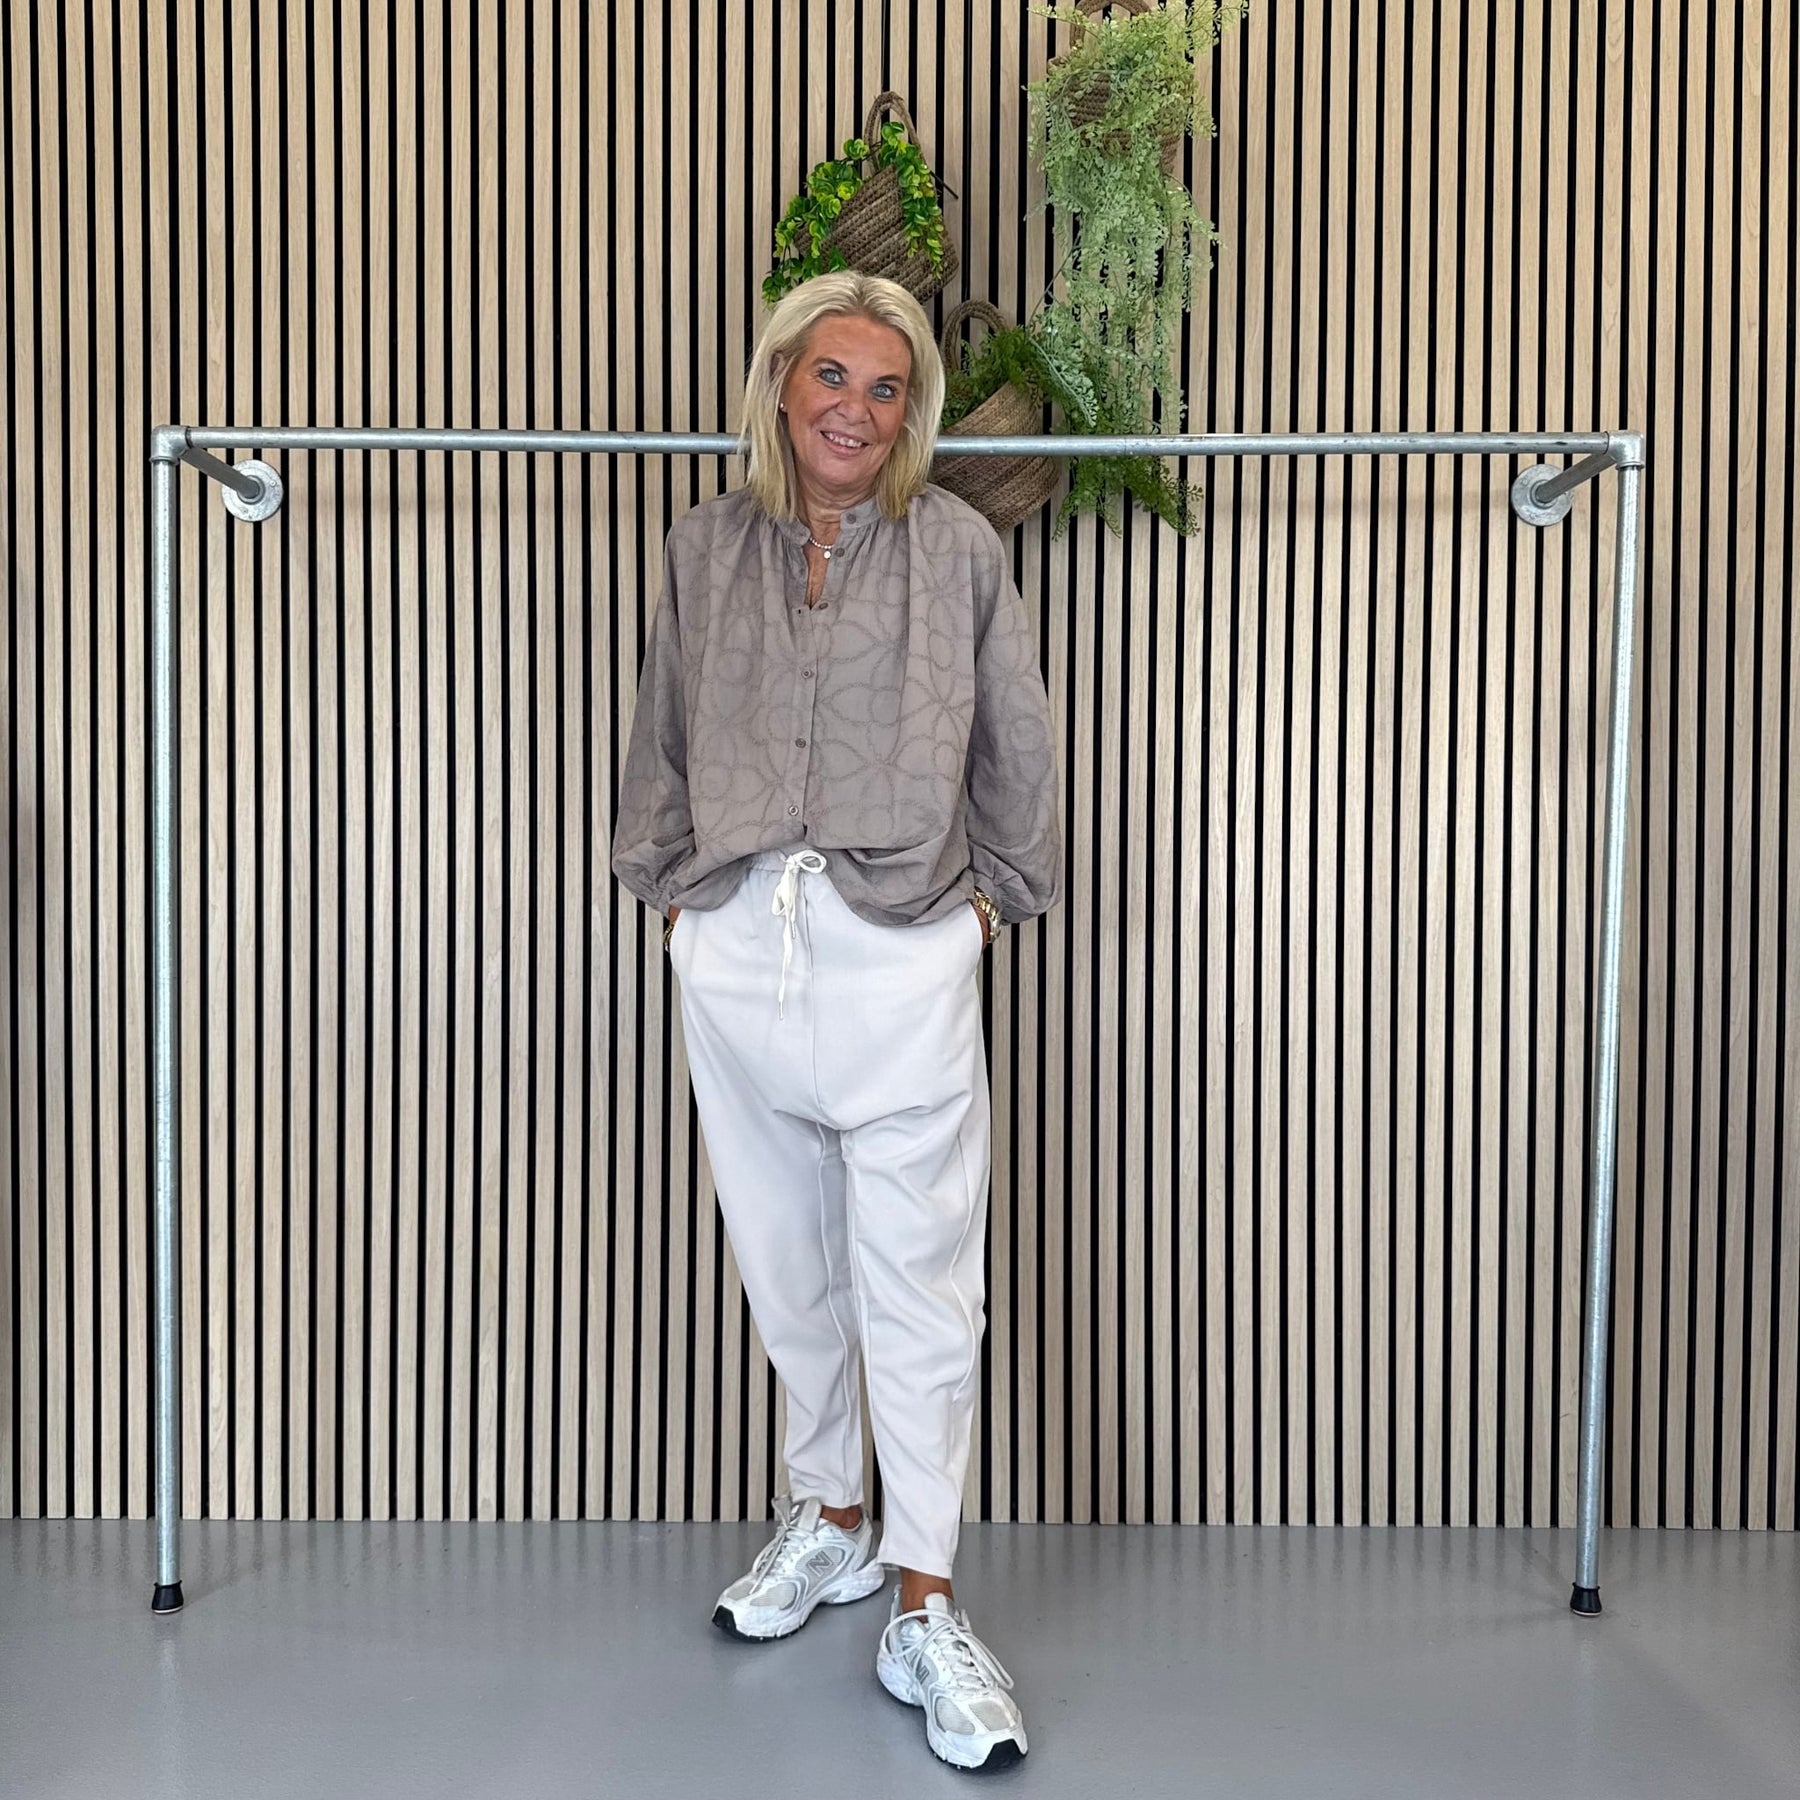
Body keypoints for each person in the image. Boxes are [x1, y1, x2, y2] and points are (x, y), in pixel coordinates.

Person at [611, 269, 1062, 1773]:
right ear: (779, 386)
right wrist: (677, 907)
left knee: (922, 1282)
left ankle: (926, 1601)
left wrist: (983, 914)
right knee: (783, 1260)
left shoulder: (958, 551)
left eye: (886, 387)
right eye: (831, 377)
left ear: (911, 410)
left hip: (899, 946)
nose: (855, 410)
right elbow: (662, 727)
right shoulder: (704, 547)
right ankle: (833, 1514)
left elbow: (1016, 739)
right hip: (739, 943)